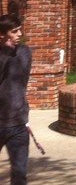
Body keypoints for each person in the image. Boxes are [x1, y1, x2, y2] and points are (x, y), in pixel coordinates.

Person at [0, 14, 31, 185]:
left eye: (20, 29)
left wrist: (23, 112)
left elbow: (22, 84)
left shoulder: (25, 52)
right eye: (14, 31)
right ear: (2, 34)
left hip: (18, 125)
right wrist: (4, 52)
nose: (20, 34)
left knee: (20, 174)